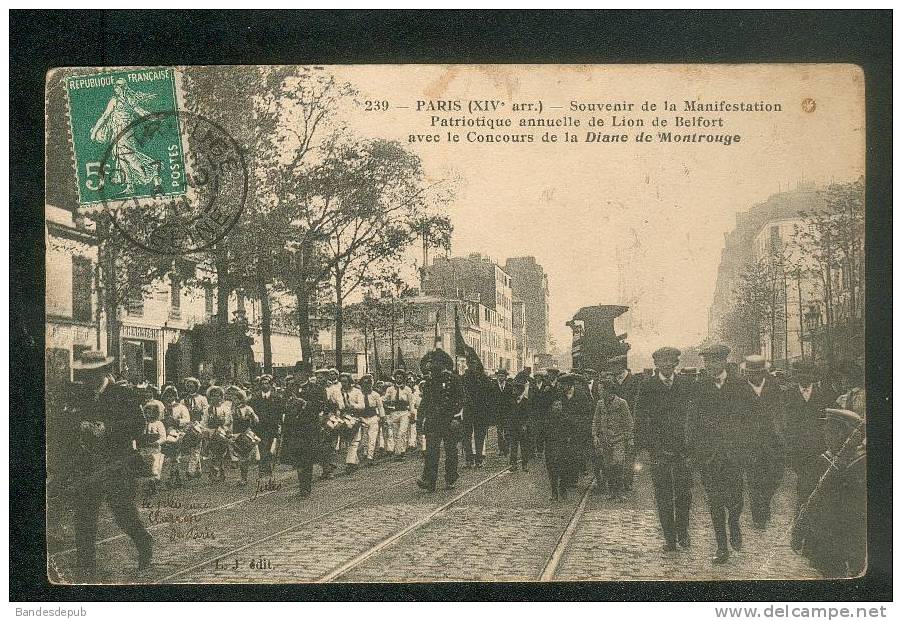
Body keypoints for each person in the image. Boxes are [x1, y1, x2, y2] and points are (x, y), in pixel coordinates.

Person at [69, 350, 152, 579]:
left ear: (105, 371)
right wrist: (80, 426)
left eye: (94, 372)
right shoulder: (79, 395)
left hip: (118, 463)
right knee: (84, 514)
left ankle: (144, 543)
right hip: (88, 464)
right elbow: (67, 423)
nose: (90, 377)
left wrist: (108, 429)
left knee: (123, 512)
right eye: (86, 373)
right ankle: (85, 564)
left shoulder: (123, 394)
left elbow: (138, 424)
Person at [687, 344, 746, 564]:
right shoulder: (699, 387)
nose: (709, 365)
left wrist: (746, 447)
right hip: (708, 456)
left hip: (734, 454)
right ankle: (722, 547)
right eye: (707, 361)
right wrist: (693, 451)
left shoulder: (740, 385)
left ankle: (734, 522)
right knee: (714, 501)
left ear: (723, 362)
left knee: (736, 498)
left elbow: (751, 419)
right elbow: (691, 422)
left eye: (713, 361)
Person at [791, 408, 866, 578]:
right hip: (824, 540)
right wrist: (800, 530)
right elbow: (806, 498)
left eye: (831, 431)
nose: (826, 435)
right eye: (826, 430)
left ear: (845, 434)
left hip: (846, 538)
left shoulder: (860, 463)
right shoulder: (824, 460)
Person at [634, 346, 694, 552]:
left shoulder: (687, 385)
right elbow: (640, 419)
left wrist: (691, 447)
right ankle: (670, 538)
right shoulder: (647, 386)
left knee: (684, 493)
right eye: (662, 363)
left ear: (676, 364)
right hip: (658, 450)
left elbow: (694, 418)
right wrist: (646, 447)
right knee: (663, 495)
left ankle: (683, 531)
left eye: (670, 362)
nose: (666, 366)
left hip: (682, 450)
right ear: (656, 365)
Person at [737, 355, 785, 529]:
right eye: (751, 372)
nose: (755, 376)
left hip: (772, 441)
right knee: (754, 479)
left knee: (774, 477)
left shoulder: (773, 385)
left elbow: (780, 410)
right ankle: (759, 516)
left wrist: (780, 430)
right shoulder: (740, 388)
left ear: (764, 372)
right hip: (750, 443)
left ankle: (765, 502)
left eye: (758, 372)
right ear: (746, 372)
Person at [784, 359, 833, 519]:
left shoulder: (824, 394)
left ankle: (805, 513)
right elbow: (782, 421)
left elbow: (831, 419)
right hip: (796, 447)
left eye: (807, 374)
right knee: (804, 479)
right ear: (796, 376)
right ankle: (806, 512)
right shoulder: (787, 394)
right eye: (800, 374)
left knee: (810, 480)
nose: (804, 377)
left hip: (818, 446)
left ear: (813, 376)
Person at [416, 349, 465, 492]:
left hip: (450, 421)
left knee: (451, 451)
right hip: (433, 421)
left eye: (434, 362)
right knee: (431, 451)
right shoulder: (430, 381)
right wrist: (420, 419)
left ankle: (450, 478)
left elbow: (461, 400)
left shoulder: (454, 379)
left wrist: (457, 418)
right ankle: (429, 481)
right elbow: (425, 402)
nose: (431, 365)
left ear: (442, 363)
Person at [281, 364, 326, 498]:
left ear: (306, 374)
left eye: (299, 373)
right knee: (297, 458)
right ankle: (302, 485)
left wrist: (305, 403)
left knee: (306, 459)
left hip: (309, 429)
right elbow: (283, 405)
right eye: (295, 373)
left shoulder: (316, 388)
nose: (297, 376)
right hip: (294, 429)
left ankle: (305, 488)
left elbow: (321, 405)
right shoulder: (290, 389)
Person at [592, 379, 633, 500]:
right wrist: (595, 435)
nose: (599, 391)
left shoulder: (621, 403)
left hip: (619, 439)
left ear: (608, 390)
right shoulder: (600, 404)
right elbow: (596, 421)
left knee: (618, 464)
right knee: (608, 466)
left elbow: (629, 422)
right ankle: (612, 492)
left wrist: (630, 438)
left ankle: (620, 492)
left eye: (601, 389)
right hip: (605, 440)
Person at [607, 355, 643, 492]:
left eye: (614, 367)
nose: (612, 369)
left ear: (621, 366)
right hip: (614, 423)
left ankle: (627, 481)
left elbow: (638, 404)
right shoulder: (612, 382)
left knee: (629, 453)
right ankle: (617, 482)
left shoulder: (635, 381)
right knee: (614, 455)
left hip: (630, 422)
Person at [544, 379, 579, 500]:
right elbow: (543, 433)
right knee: (551, 470)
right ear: (552, 406)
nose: (558, 407)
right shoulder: (547, 419)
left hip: (564, 446)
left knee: (563, 469)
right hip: (550, 447)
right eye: (555, 405)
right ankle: (554, 491)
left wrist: (569, 439)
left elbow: (572, 430)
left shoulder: (566, 418)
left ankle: (562, 488)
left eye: (559, 405)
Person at [558, 373, 593, 487]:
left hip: (577, 430)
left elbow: (587, 413)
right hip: (563, 429)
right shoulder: (560, 395)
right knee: (564, 454)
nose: (561, 387)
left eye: (563, 385)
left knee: (575, 454)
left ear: (569, 385)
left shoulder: (581, 395)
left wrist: (577, 422)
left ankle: (573, 479)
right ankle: (565, 478)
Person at [249, 374, 283, 477]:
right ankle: (264, 468)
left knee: (268, 447)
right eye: (262, 383)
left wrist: (278, 424)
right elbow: (252, 411)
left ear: (270, 385)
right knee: (261, 447)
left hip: (271, 427)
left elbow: (279, 412)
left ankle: (265, 467)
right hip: (259, 427)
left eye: (267, 383)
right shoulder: (255, 398)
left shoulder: (276, 398)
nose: (264, 385)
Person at [347, 374, 383, 471]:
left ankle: (370, 457)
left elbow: (380, 407)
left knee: (372, 438)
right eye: (365, 384)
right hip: (362, 418)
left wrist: (382, 417)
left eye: (369, 384)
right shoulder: (359, 395)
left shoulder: (375, 395)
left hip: (373, 417)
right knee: (363, 439)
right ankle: (363, 454)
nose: (367, 386)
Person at [138, 384, 167, 496]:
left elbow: (163, 437)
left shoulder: (159, 424)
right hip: (145, 449)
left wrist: (157, 442)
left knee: (155, 467)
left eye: (151, 412)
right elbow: (139, 436)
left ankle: (154, 483)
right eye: (146, 412)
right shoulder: (143, 424)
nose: (148, 415)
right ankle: (150, 485)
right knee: (147, 467)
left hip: (155, 449)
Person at [229, 387, 260, 486]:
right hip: (237, 434)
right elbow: (229, 422)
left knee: (252, 455)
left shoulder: (247, 408)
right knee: (242, 457)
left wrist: (251, 416)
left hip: (247, 433)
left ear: (242, 399)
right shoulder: (232, 410)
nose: (235, 401)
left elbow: (256, 420)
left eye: (237, 398)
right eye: (234, 399)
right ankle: (244, 478)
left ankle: (250, 471)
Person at [160, 385, 190, 488]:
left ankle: (174, 477)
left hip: (178, 432)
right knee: (169, 456)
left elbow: (187, 420)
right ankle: (174, 476)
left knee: (175, 456)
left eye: (171, 395)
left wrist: (177, 421)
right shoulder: (162, 408)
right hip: (166, 433)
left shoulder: (181, 407)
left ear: (175, 396)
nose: (169, 398)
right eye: (167, 396)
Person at [384, 369, 415, 461]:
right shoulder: (390, 389)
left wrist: (412, 414)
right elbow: (384, 399)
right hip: (394, 413)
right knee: (396, 433)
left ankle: (401, 452)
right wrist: (388, 406)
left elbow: (411, 403)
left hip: (404, 413)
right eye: (397, 378)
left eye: (401, 378)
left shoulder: (407, 389)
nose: (399, 380)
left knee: (402, 432)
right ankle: (399, 452)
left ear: (404, 378)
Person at [204, 385, 233, 483]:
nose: (216, 398)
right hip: (211, 432)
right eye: (213, 396)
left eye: (218, 396)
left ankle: (220, 469)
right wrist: (206, 431)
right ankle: (214, 471)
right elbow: (205, 422)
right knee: (212, 451)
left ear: (221, 397)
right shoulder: (208, 409)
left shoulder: (225, 408)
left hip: (222, 431)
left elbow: (229, 421)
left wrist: (225, 427)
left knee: (220, 452)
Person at [181, 377, 208, 479]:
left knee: (196, 446)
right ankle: (198, 469)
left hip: (199, 424)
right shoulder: (184, 400)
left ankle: (190, 470)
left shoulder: (202, 399)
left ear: (196, 387)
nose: (189, 388)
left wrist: (200, 423)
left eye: (191, 386)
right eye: (188, 386)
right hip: (188, 424)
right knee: (192, 447)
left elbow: (206, 412)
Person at [507, 375, 533, 471]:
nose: (514, 391)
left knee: (524, 446)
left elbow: (529, 415)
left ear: (521, 390)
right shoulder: (511, 400)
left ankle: (524, 464)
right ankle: (513, 464)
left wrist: (525, 425)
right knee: (513, 446)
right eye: (514, 389)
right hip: (513, 427)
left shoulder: (526, 401)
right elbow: (509, 413)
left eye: (516, 389)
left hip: (523, 427)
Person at [491, 369, 515, 457]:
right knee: (500, 432)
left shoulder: (509, 386)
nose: (501, 377)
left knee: (507, 431)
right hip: (498, 413)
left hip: (507, 412)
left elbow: (512, 398)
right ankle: (501, 449)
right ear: (497, 376)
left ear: (505, 377)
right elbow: (491, 399)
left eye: (503, 376)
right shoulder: (493, 386)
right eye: (499, 376)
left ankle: (507, 448)